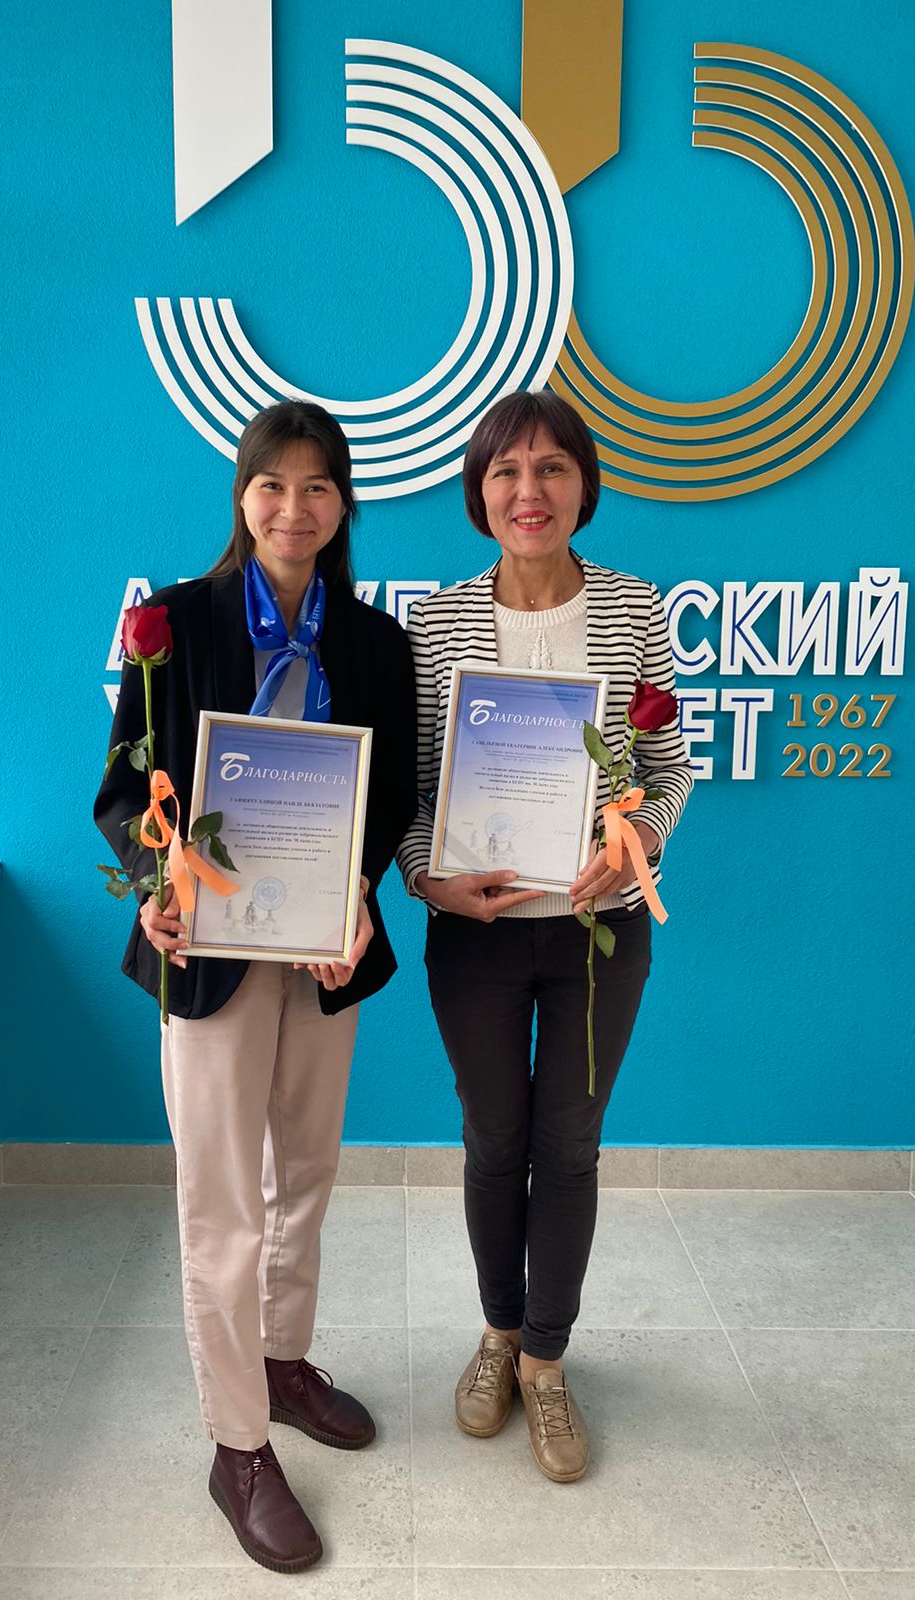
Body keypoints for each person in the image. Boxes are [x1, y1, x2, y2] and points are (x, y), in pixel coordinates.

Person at [95, 401, 416, 1572]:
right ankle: (237, 1445)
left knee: (307, 1174)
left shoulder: (376, 642)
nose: (294, 506)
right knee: (222, 1201)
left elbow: (388, 800)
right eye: (272, 484)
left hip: (321, 950)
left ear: (344, 503)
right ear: (242, 496)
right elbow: (125, 794)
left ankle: (281, 1361)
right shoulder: (175, 623)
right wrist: (155, 882)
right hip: (210, 948)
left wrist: (359, 895)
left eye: (317, 485)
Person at [397, 390, 692, 1484]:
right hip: (474, 935)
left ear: (584, 486)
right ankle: (498, 1331)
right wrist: (427, 876)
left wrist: (636, 841)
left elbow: (668, 769)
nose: (531, 491)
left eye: (552, 468)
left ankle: (546, 1360)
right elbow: (410, 794)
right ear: (479, 493)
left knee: (568, 1146)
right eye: (507, 471)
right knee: (493, 1142)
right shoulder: (435, 625)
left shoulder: (634, 610)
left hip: (595, 935)